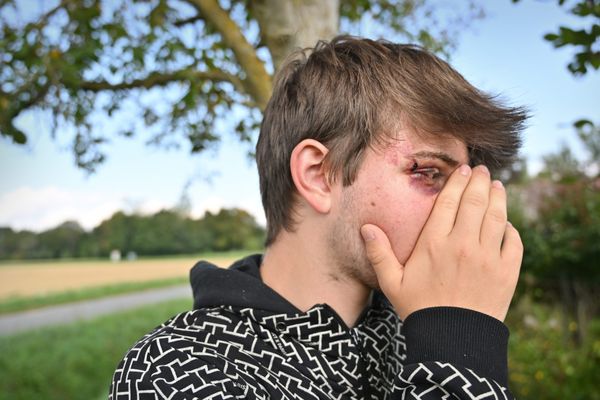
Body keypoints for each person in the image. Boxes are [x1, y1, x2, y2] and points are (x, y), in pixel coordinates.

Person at [109, 36, 528, 399]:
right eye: (429, 172)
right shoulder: (176, 369)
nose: (459, 207)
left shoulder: (415, 328)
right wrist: (460, 342)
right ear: (318, 176)